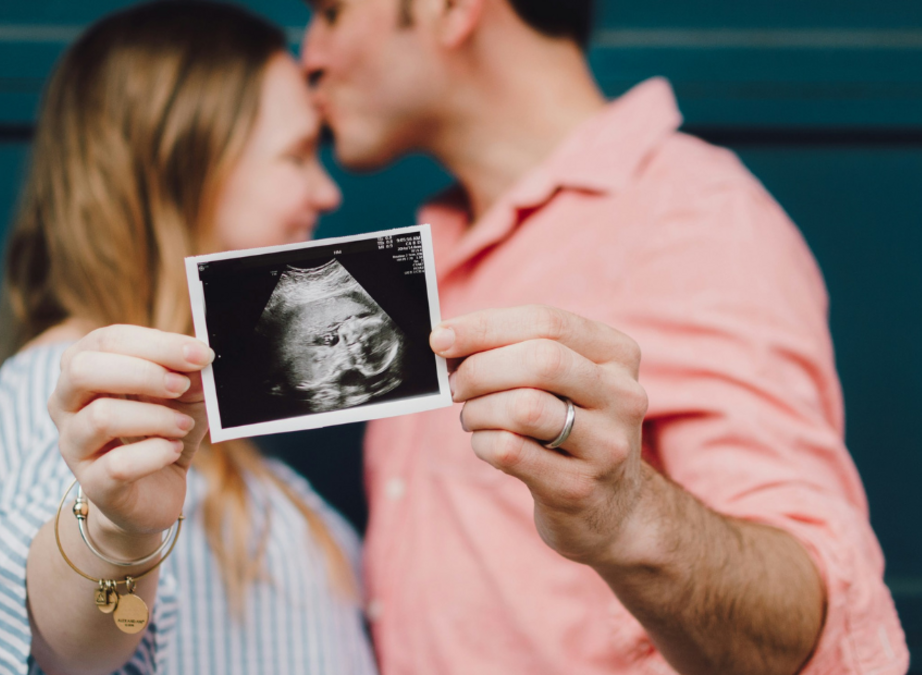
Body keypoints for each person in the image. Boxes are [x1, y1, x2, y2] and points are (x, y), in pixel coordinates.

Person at [301, 0, 909, 673]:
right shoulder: (425, 253)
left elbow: (807, 622)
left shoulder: (692, 219)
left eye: (331, 12)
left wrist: (627, 515)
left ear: (451, 9)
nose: (311, 57)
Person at [0, 3, 379, 674]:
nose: (325, 192)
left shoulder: (208, 425)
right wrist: (117, 530)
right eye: (295, 154)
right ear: (180, 169)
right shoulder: (75, 392)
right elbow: (62, 643)